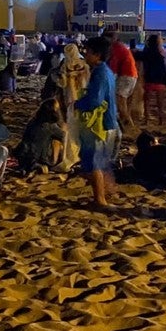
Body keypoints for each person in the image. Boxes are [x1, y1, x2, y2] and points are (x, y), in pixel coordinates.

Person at [75, 36, 121, 208]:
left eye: (88, 52)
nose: (85, 55)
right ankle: (108, 193)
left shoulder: (100, 73)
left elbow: (95, 100)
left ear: (97, 54)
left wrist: (77, 103)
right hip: (109, 122)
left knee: (94, 162)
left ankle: (100, 200)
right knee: (102, 162)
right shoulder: (106, 71)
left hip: (99, 125)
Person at [14, 97, 68, 173]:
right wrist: (64, 127)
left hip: (23, 156)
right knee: (57, 141)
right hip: (40, 157)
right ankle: (55, 163)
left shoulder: (32, 121)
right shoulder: (50, 126)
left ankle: (32, 165)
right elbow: (64, 137)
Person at [104, 31, 138, 131]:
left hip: (126, 76)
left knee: (120, 102)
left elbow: (113, 68)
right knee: (124, 103)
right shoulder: (120, 47)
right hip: (131, 75)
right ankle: (126, 123)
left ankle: (130, 126)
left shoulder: (116, 49)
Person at [141, 34, 166, 126]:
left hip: (149, 78)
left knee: (147, 101)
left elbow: (139, 56)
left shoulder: (146, 52)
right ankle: (161, 120)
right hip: (160, 78)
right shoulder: (161, 52)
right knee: (160, 102)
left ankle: (147, 119)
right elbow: (163, 67)